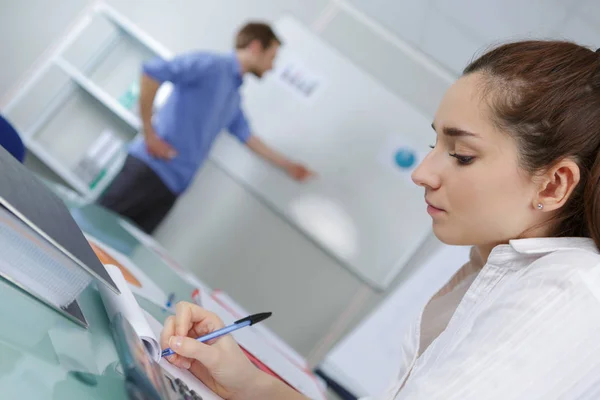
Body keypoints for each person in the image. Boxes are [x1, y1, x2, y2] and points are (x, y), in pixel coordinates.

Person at [159, 40, 600, 399]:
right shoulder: (494, 268)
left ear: (553, 185)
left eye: (462, 156)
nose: (422, 173)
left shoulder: (566, 293)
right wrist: (249, 384)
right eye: (434, 144)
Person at [99, 22, 314, 234]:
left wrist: (289, 165)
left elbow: (249, 138)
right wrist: (149, 134)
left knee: (116, 255)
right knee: (90, 236)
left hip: (172, 188)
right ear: (256, 47)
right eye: (272, 57)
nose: (272, 66)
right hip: (148, 170)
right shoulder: (211, 65)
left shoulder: (233, 98)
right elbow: (152, 72)